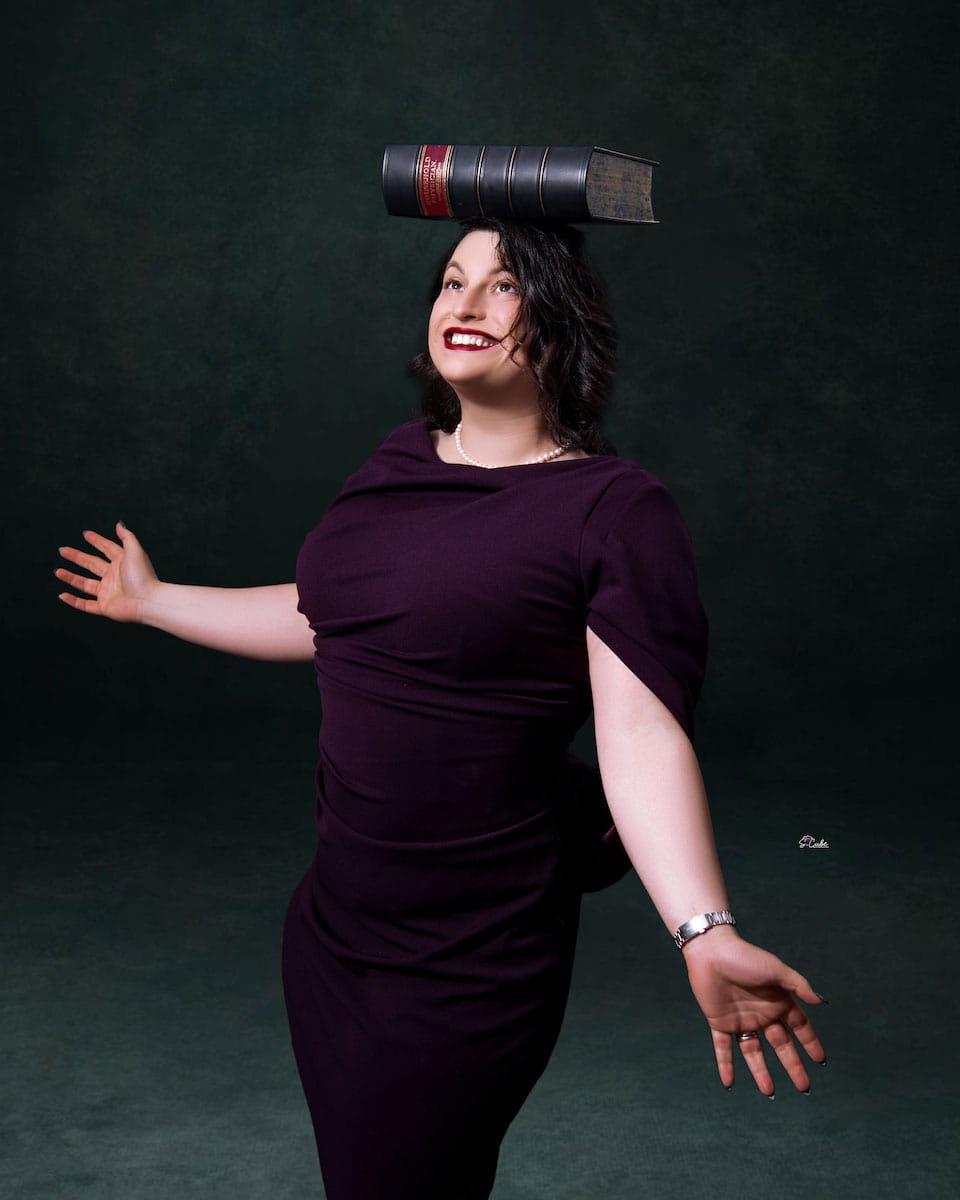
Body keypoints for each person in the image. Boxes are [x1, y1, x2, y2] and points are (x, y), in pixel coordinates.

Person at [56, 217, 827, 1199]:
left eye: (504, 284)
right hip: (334, 935)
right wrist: (157, 601)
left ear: (562, 318)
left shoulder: (613, 509)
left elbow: (637, 731)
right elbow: (337, 618)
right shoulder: (398, 460)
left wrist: (703, 930)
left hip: (470, 957)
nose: (465, 303)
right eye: (452, 280)